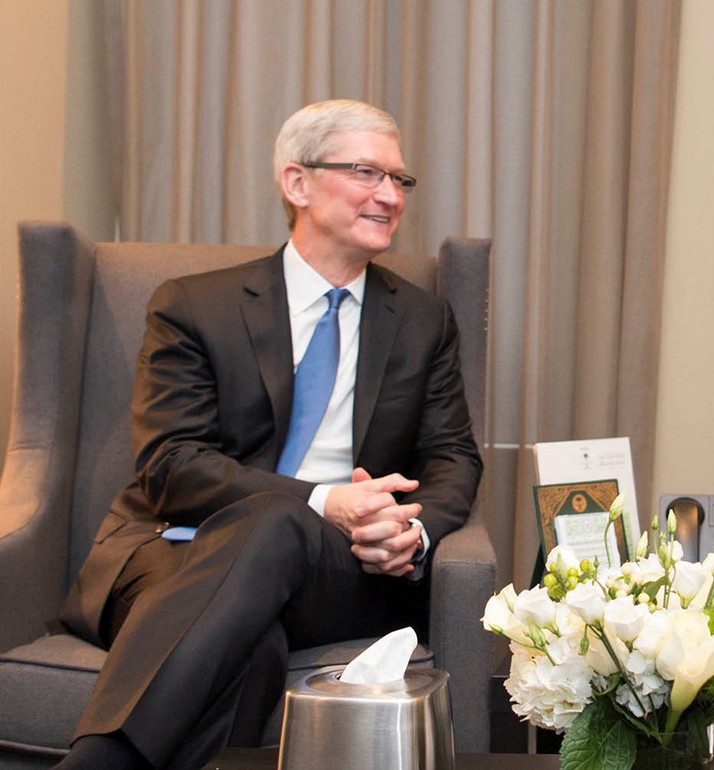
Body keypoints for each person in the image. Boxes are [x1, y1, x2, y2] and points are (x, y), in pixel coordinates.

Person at [53, 99, 483, 770]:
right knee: (253, 641)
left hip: (337, 567)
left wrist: (413, 531)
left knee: (279, 525)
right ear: (297, 182)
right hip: (173, 551)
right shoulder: (194, 305)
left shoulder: (424, 320)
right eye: (368, 172)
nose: (390, 196)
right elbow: (170, 466)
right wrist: (322, 499)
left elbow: (454, 457)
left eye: (400, 180)